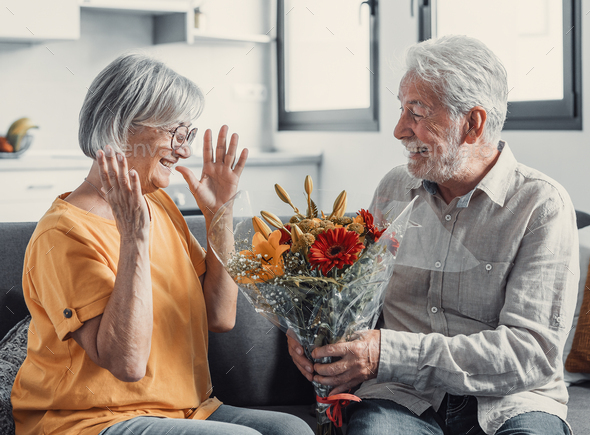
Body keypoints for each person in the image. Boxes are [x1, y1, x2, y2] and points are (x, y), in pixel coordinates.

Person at [288, 35, 579, 435]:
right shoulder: (393, 188)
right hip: (401, 397)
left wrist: (384, 354)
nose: (398, 130)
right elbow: (354, 296)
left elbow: (530, 355)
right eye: (400, 109)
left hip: (509, 402)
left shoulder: (541, 205)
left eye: (417, 112)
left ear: (472, 124)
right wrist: (309, 329)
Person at [11, 53, 313, 435]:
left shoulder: (160, 205)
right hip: (89, 420)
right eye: (175, 132)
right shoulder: (63, 233)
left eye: (187, 133)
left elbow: (221, 317)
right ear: (120, 126)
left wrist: (219, 215)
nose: (185, 149)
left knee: (293, 431)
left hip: (188, 412)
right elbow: (127, 364)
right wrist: (134, 240)